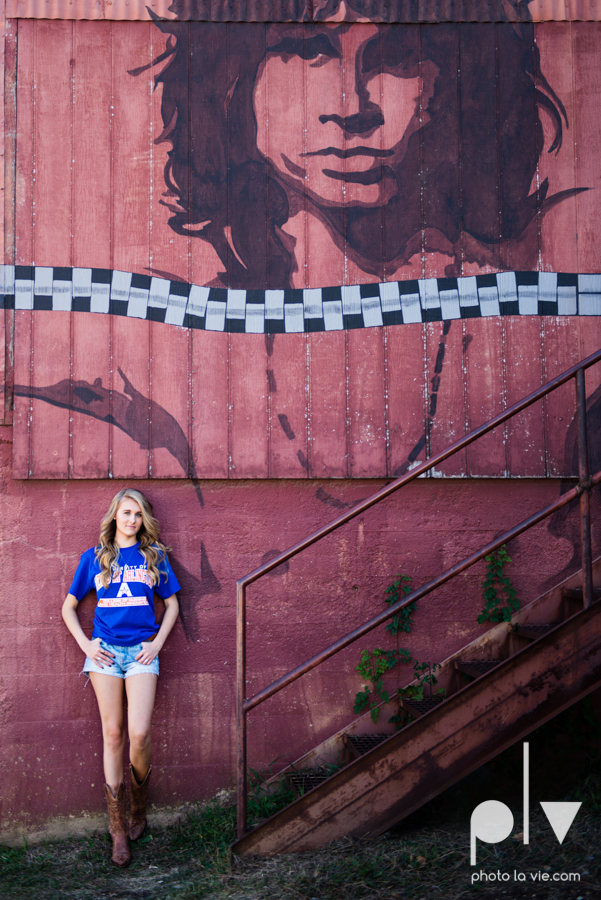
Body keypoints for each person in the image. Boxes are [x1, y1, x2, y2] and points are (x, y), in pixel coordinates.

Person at [147, 0, 582, 289]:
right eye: (311, 51)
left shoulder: (503, 270)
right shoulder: (177, 297)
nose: (358, 107)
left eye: (397, 56)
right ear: (231, 76)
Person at [62, 489, 180, 867]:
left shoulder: (154, 556)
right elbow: (68, 606)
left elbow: (173, 603)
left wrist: (158, 643)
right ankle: (117, 828)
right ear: (115, 515)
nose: (132, 520)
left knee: (139, 734)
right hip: (106, 655)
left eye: (139, 515)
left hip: (142, 652)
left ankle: (138, 809)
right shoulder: (93, 559)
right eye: (127, 513)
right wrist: (86, 645)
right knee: (112, 734)